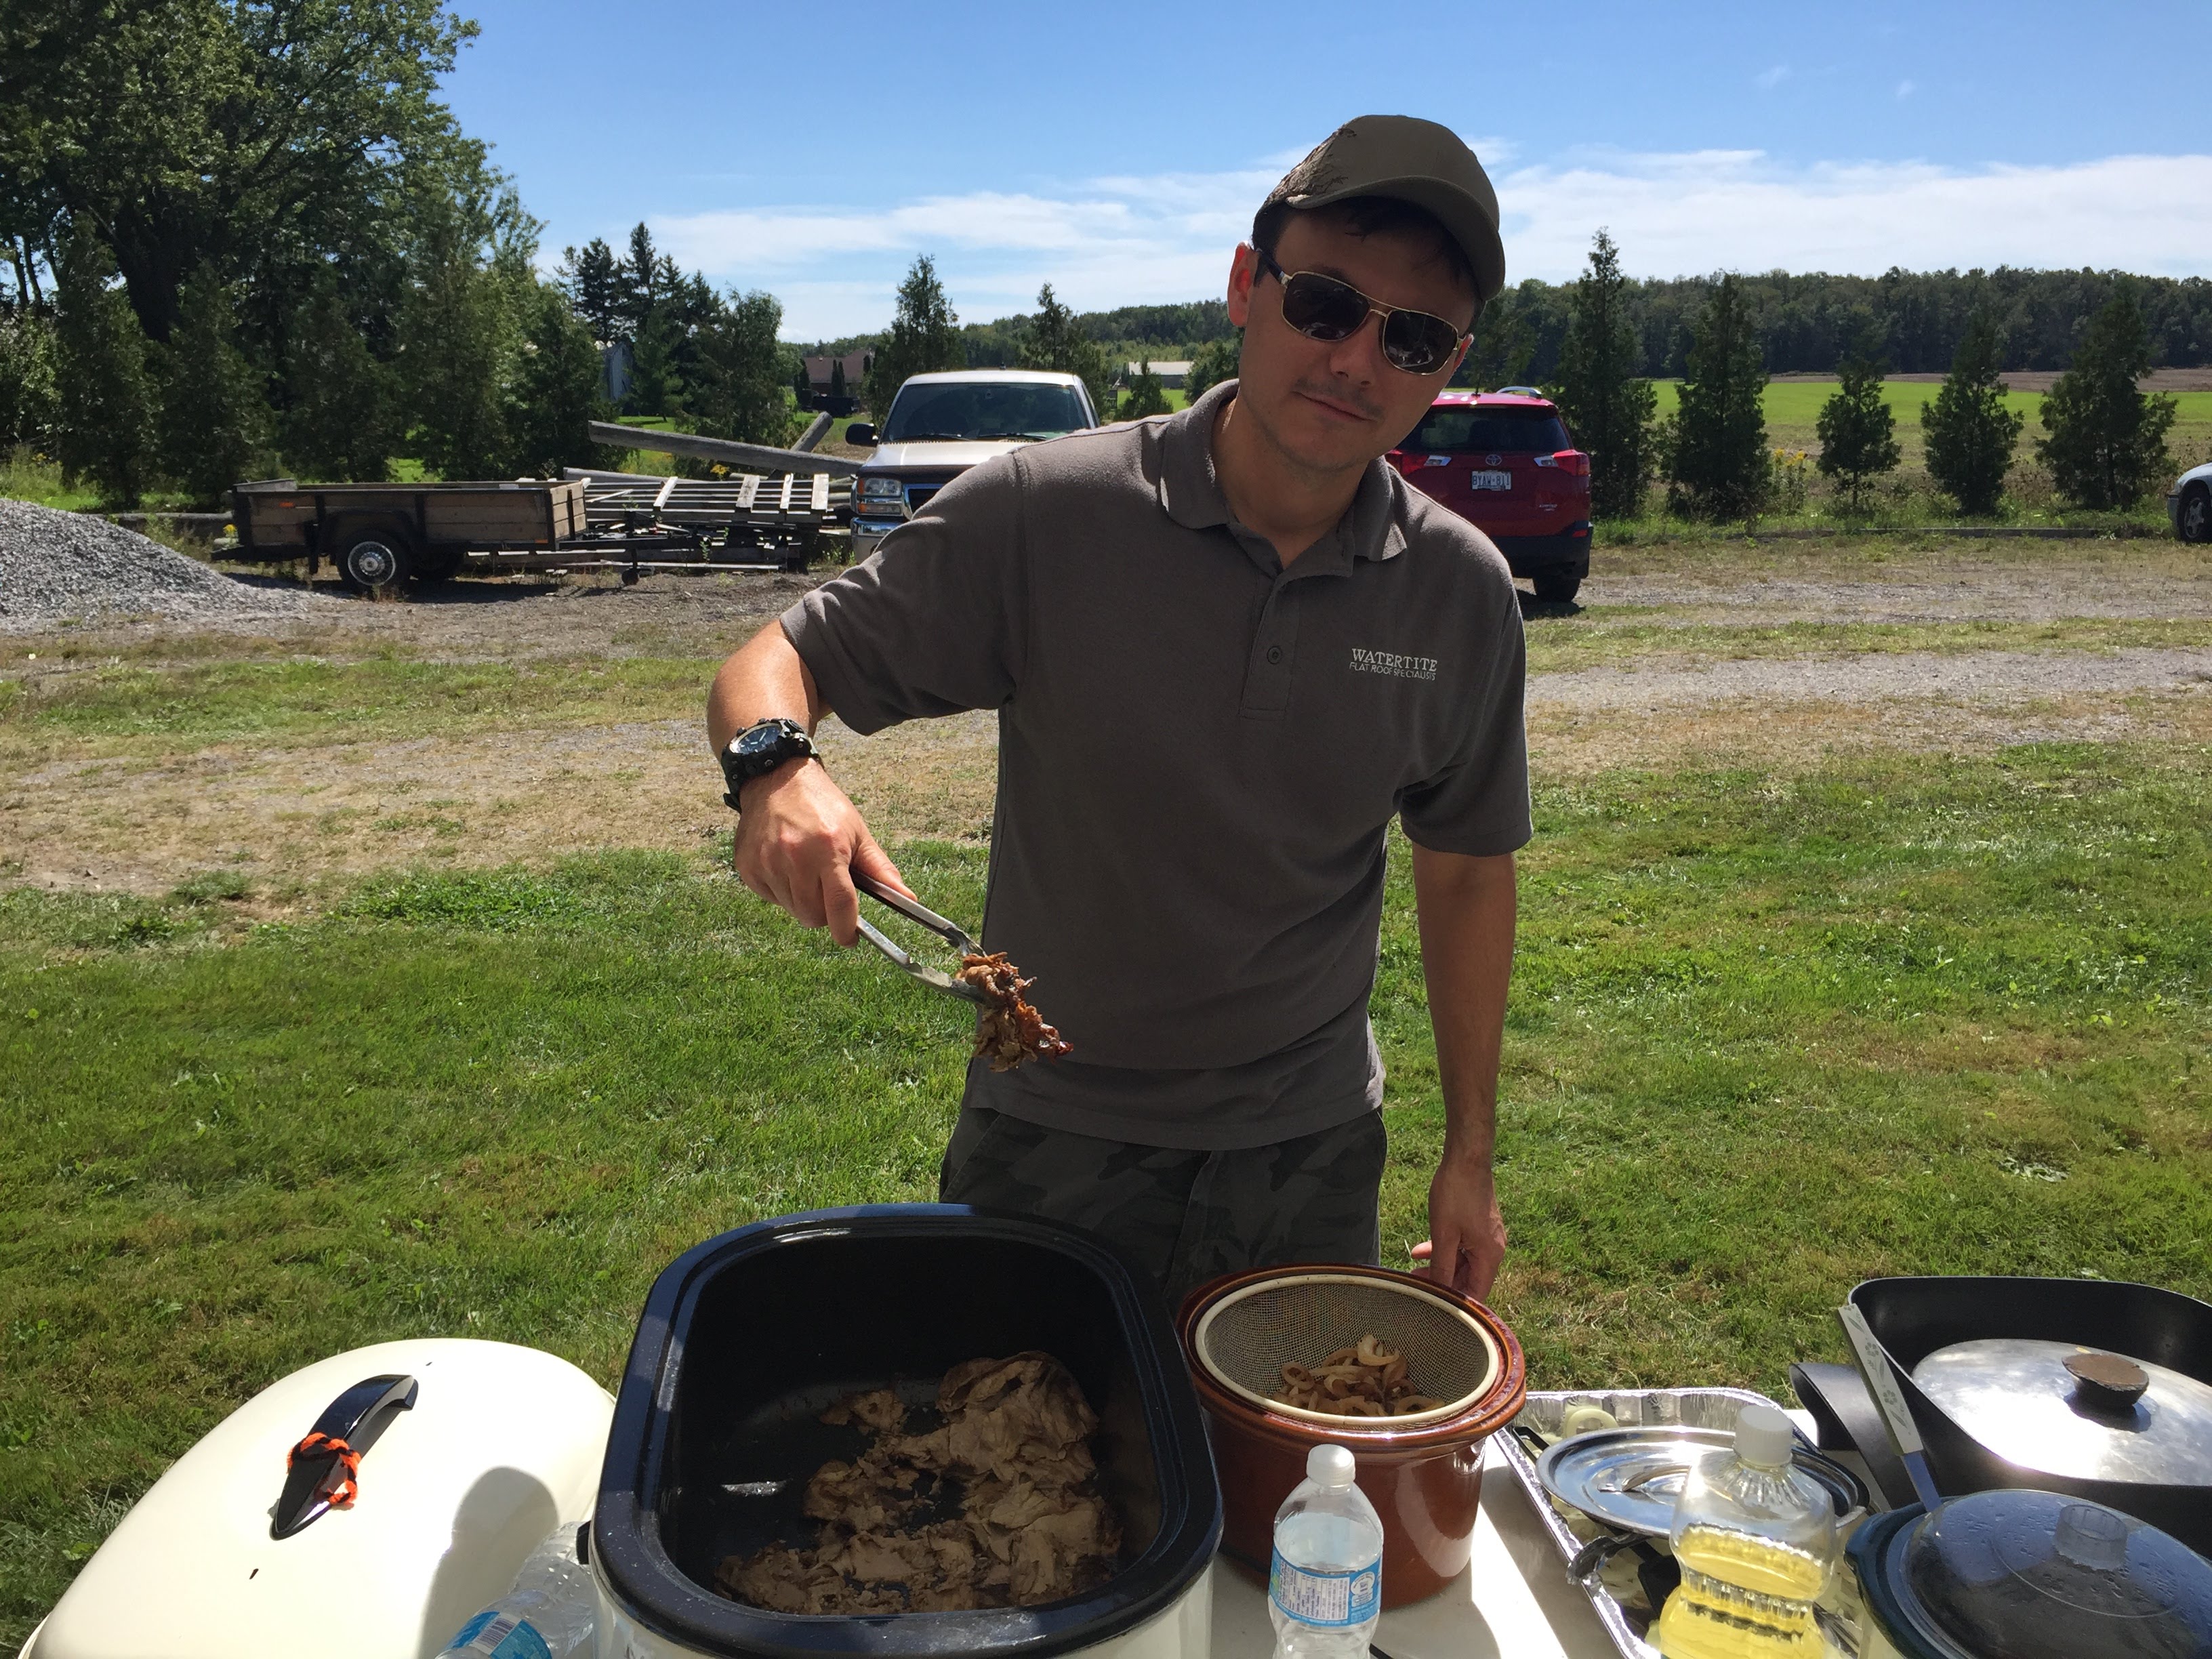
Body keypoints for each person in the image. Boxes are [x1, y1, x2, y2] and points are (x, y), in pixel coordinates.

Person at [708, 115, 1528, 1309]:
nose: (1357, 361)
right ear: (1246, 287)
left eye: (1412, 336)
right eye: (1325, 305)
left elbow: (1466, 873)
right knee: (1013, 1425)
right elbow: (776, 660)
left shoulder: (1460, 591)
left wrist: (1469, 1157)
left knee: (1296, 1436)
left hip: (1307, 1150)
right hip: (1052, 1131)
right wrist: (777, 771)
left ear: (1448, 363)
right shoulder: (1049, 513)